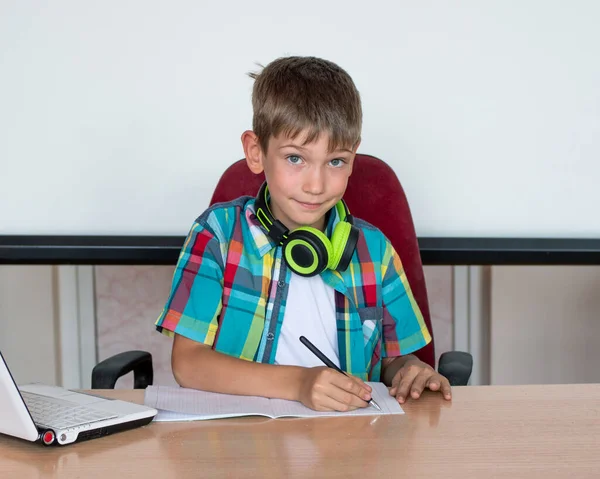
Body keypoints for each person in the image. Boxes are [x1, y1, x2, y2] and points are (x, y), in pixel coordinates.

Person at [155, 56, 451, 412]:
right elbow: (188, 364)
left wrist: (411, 370)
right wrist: (299, 383)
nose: (316, 185)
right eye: (296, 158)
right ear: (255, 152)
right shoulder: (217, 235)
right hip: (243, 445)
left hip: (351, 444)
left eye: (336, 161)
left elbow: (395, 360)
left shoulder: (375, 251)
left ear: (353, 158)